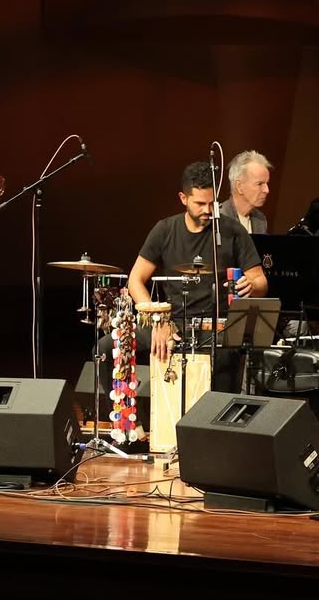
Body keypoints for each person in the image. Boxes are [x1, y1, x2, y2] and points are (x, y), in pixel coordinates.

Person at [95, 161, 269, 432]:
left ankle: (219, 432)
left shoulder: (232, 231)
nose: (207, 210)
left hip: (215, 325)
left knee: (230, 353)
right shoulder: (165, 229)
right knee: (107, 346)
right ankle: (132, 428)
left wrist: (252, 286)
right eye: (199, 204)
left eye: (211, 203)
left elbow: (260, 281)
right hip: (170, 322)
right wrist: (157, 320)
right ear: (183, 198)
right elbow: (135, 280)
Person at [220, 150, 272, 234]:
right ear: (239, 186)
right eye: (259, 184)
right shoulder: (219, 218)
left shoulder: (260, 220)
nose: (266, 190)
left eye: (266, 183)